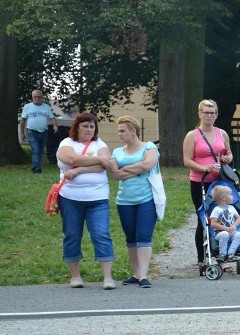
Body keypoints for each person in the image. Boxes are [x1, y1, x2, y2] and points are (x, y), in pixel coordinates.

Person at [56, 113, 115, 289]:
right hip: (70, 198)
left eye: (92, 126)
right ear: (77, 127)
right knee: (72, 235)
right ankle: (75, 276)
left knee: (101, 234)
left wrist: (79, 169)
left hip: (98, 198)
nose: (89, 129)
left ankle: (108, 277)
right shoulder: (66, 143)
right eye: (85, 126)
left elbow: (106, 164)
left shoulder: (100, 144)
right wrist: (98, 159)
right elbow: (70, 159)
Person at [183, 100, 234, 271]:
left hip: (219, 181)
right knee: (203, 219)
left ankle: (221, 256)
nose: (209, 115)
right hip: (200, 181)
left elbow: (229, 153)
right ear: (199, 114)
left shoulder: (222, 133)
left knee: (221, 218)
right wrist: (205, 168)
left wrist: (227, 159)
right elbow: (187, 160)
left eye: (212, 112)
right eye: (206, 112)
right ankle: (201, 258)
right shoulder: (192, 135)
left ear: (217, 114)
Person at [110, 116, 159, 288]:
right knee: (130, 238)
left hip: (146, 199)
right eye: (118, 131)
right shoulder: (116, 152)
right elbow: (114, 174)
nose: (119, 134)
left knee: (143, 236)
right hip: (124, 201)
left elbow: (148, 164)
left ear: (133, 131)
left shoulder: (149, 147)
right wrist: (137, 170)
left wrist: (125, 169)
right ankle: (136, 273)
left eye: (122, 130)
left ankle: (144, 276)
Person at [18, 89, 58, 173]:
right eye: (35, 97)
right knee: (35, 150)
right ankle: (36, 169)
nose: (37, 98)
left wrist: (55, 125)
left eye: (39, 97)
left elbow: (52, 117)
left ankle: (38, 166)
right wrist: (22, 133)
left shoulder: (46, 107)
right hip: (32, 132)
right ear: (32, 97)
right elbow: (22, 121)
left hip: (43, 132)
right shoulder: (27, 107)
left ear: (42, 97)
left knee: (40, 151)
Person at [208, 185, 240, 261]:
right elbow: (213, 224)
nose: (232, 197)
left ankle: (230, 253)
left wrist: (234, 225)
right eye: (230, 195)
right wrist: (226, 229)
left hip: (232, 232)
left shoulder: (232, 208)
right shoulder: (216, 210)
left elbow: (239, 219)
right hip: (220, 233)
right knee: (225, 234)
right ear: (224, 198)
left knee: (239, 235)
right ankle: (222, 254)